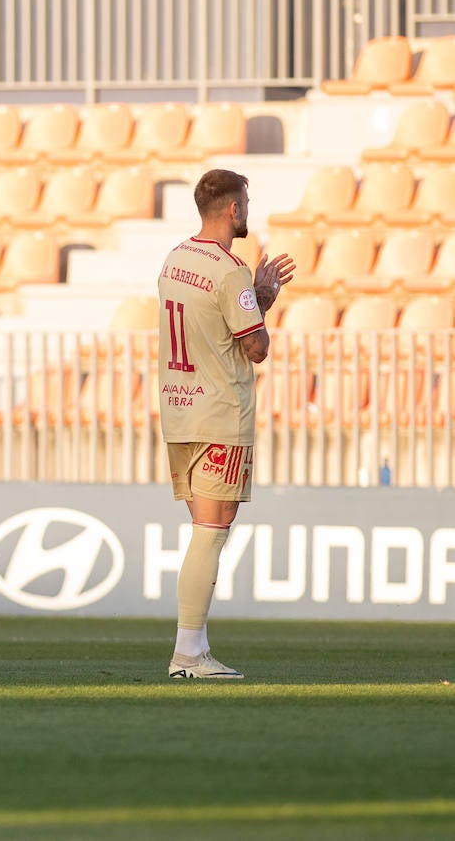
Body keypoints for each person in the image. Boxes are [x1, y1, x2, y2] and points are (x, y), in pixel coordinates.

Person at [158, 169, 294, 679]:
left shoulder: (176, 258)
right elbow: (254, 347)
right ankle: (188, 653)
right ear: (233, 209)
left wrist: (249, 301)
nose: (248, 210)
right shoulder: (228, 268)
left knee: (203, 530)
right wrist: (264, 298)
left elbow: (212, 328)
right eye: (247, 202)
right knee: (211, 533)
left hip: (178, 409)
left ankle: (193, 648)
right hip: (219, 411)